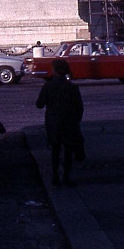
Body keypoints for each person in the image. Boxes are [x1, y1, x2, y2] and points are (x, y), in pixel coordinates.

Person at [36, 58, 85, 186]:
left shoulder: (48, 86)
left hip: (53, 122)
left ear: (55, 71)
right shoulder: (73, 88)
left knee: (55, 150)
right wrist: (76, 120)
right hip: (69, 122)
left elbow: (39, 104)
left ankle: (55, 175)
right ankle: (66, 176)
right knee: (68, 151)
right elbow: (79, 107)